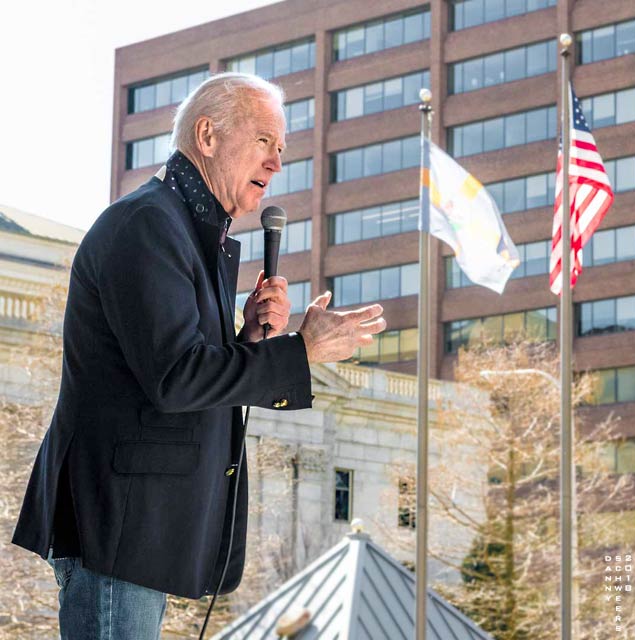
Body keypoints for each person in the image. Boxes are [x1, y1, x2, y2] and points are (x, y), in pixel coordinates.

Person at [11, 72, 385, 639]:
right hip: (119, 533)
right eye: (264, 141)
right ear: (207, 136)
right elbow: (177, 377)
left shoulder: (184, 231)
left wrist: (248, 339)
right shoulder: (147, 225)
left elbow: (177, 370)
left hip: (140, 537)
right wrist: (302, 351)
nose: (276, 163)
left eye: (281, 149)